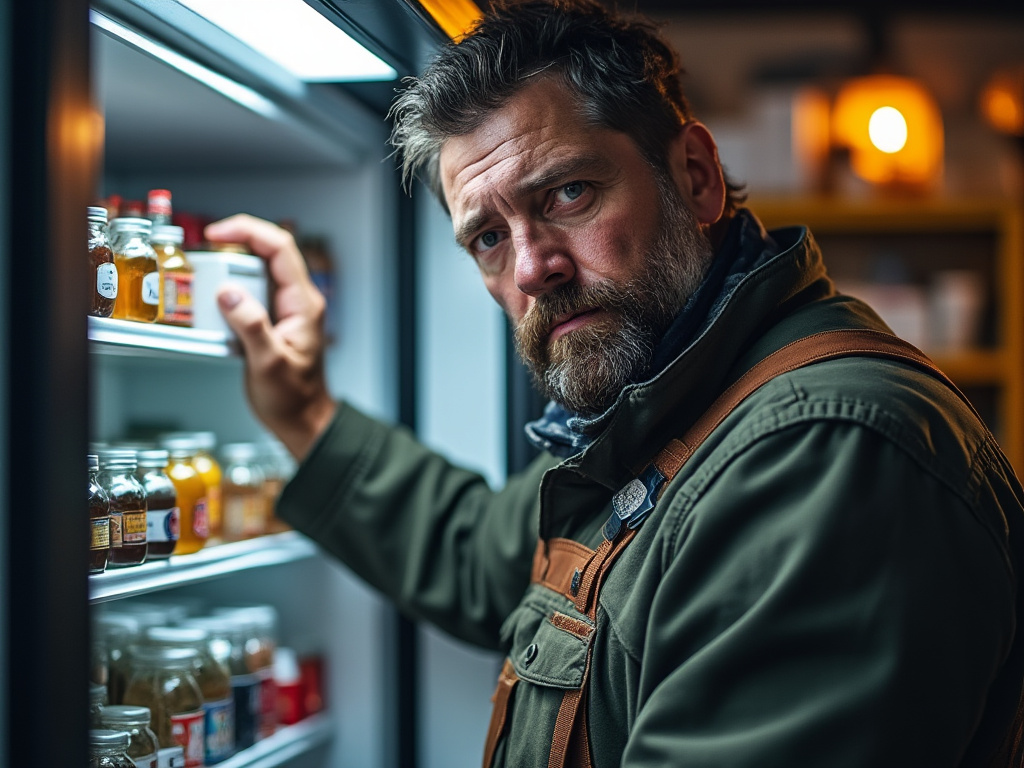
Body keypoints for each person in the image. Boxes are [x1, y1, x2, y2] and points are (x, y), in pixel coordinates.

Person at [205, 1, 1024, 765]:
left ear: (695, 176)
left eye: (569, 192)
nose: (533, 268)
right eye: (488, 237)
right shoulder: (667, 413)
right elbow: (480, 554)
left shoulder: (821, 455)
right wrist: (305, 412)